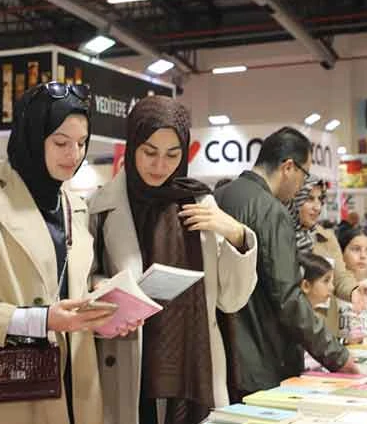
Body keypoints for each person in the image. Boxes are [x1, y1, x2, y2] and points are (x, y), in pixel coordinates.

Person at [0, 82, 118, 424]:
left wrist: (104, 302)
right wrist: (38, 320)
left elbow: (66, 284)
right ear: (32, 134)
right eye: (60, 142)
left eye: (81, 143)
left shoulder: (74, 204)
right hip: (9, 391)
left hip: (76, 388)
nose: (73, 155)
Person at [88, 95, 257, 424]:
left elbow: (230, 299)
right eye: (149, 152)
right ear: (132, 145)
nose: (160, 166)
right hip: (128, 362)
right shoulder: (100, 207)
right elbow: (85, 279)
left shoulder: (198, 204)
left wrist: (236, 234)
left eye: (172, 155)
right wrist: (110, 289)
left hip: (192, 364)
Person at [216, 126, 359, 400]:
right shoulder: (272, 211)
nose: (301, 187)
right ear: (288, 167)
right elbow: (288, 297)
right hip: (263, 359)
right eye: (304, 175)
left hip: (221, 354)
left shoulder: (220, 197)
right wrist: (337, 356)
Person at [287, 175, 367, 307]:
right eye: (310, 199)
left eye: (320, 199)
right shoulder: (280, 236)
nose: (317, 207)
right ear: (295, 199)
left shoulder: (326, 238)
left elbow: (340, 277)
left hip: (322, 323)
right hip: (288, 322)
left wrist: (353, 291)